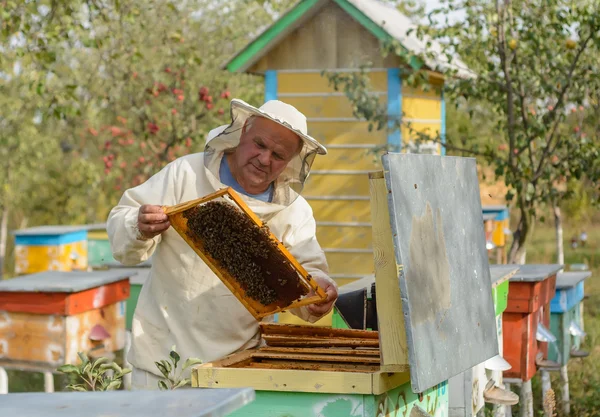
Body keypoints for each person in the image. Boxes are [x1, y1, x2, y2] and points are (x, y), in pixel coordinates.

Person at [106, 99, 339, 389]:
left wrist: (320, 293)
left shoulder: (294, 212)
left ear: (290, 161)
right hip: (160, 359)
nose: (265, 159)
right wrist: (137, 225)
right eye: (260, 145)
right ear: (242, 133)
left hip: (235, 366)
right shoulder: (185, 174)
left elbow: (308, 279)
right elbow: (122, 230)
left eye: (278, 155)